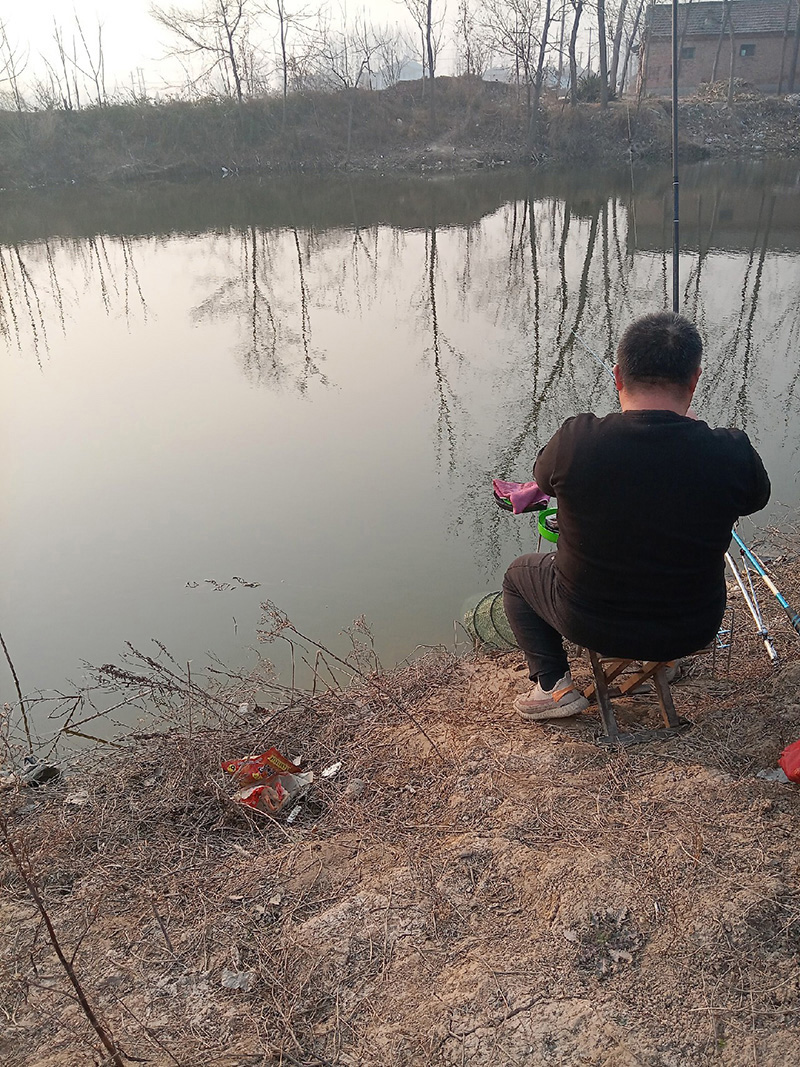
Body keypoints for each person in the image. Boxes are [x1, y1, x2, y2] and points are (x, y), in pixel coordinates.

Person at [502, 311, 771, 721]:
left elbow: (542, 478)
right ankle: (662, 661)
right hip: (693, 627)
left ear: (617, 376)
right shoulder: (732, 452)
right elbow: (755, 497)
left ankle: (553, 687)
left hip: (588, 623)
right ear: (694, 380)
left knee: (518, 575)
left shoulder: (577, 439)